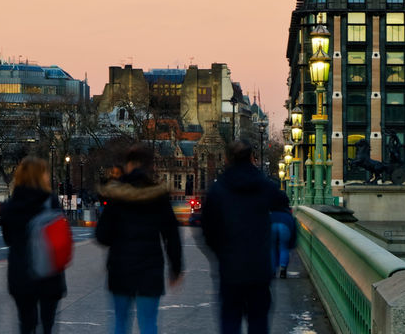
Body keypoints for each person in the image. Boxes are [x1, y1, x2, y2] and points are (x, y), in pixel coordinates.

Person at [199, 141, 291, 334]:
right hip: (259, 267)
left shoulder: (218, 189)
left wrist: (221, 252)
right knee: (258, 322)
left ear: (227, 159)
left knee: (230, 322)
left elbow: (206, 228)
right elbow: (283, 200)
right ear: (252, 158)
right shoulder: (263, 185)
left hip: (230, 268)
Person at [95, 145, 182, 334]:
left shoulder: (116, 195)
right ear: (149, 166)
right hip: (150, 269)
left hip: (120, 268)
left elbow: (102, 235)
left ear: (129, 164)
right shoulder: (158, 195)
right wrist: (176, 268)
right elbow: (171, 234)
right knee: (148, 323)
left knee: (120, 322)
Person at [0, 156, 68, 334]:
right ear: (39, 176)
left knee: (25, 323)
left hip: (21, 272)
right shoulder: (50, 202)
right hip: (48, 271)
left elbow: (8, 239)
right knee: (47, 325)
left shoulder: (10, 206)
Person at [270, 208, 297, 279]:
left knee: (272, 248)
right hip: (285, 224)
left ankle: (273, 271)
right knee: (284, 247)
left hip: (272, 223)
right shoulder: (288, 215)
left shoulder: (271, 213)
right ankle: (283, 270)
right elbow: (293, 230)